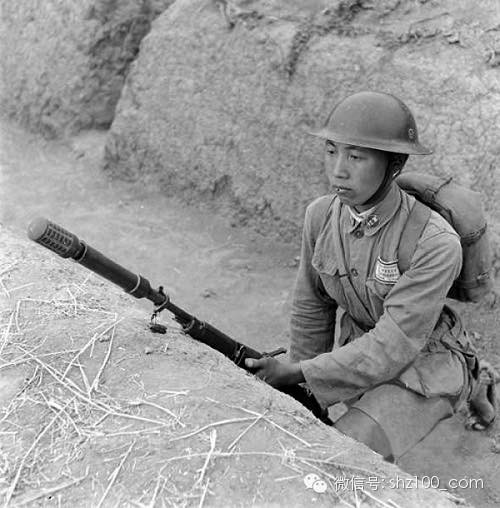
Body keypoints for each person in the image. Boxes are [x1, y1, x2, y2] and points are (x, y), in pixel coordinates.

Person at [245, 91, 496, 462]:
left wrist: (300, 372)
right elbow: (311, 306)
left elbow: (393, 346)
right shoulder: (321, 216)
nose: (337, 170)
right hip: (361, 347)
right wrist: (301, 390)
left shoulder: (435, 242)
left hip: (423, 358)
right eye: (331, 151)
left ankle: (473, 377)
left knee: (343, 457)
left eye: (356, 156)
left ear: (394, 165)